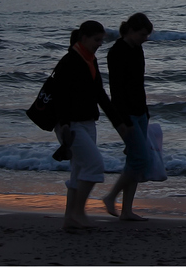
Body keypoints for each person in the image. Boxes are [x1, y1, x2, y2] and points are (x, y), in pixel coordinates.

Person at [53, 20, 132, 230]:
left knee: (79, 170)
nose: (99, 44)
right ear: (84, 38)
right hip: (70, 125)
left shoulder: (90, 61)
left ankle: (70, 217)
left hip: (88, 122)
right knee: (94, 164)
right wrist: (65, 125)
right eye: (97, 40)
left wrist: (119, 125)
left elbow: (100, 96)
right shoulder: (69, 61)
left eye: (102, 41)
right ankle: (79, 213)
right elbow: (60, 96)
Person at [102, 13, 154, 221]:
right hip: (127, 114)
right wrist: (123, 121)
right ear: (131, 31)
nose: (145, 39)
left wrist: (146, 113)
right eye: (143, 34)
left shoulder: (137, 49)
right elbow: (117, 90)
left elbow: (139, 84)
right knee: (140, 159)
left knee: (133, 160)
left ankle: (126, 210)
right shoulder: (116, 52)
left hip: (140, 111)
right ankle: (110, 196)